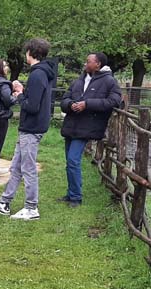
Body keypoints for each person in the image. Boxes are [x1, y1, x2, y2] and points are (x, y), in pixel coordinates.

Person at [0, 38, 57, 220]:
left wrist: (19, 95)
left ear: (31, 52)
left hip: (32, 128)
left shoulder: (38, 74)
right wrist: (23, 91)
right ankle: (4, 202)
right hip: (30, 127)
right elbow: (35, 97)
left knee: (28, 168)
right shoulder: (42, 73)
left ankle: (31, 207)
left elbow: (32, 105)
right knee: (16, 167)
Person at [59, 52, 122, 207]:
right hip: (71, 125)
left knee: (73, 160)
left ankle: (75, 197)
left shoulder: (109, 81)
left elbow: (114, 101)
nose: (85, 64)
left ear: (98, 64)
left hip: (87, 127)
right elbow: (65, 99)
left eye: (88, 61)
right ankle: (71, 193)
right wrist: (70, 105)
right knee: (70, 162)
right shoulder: (79, 81)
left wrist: (87, 104)